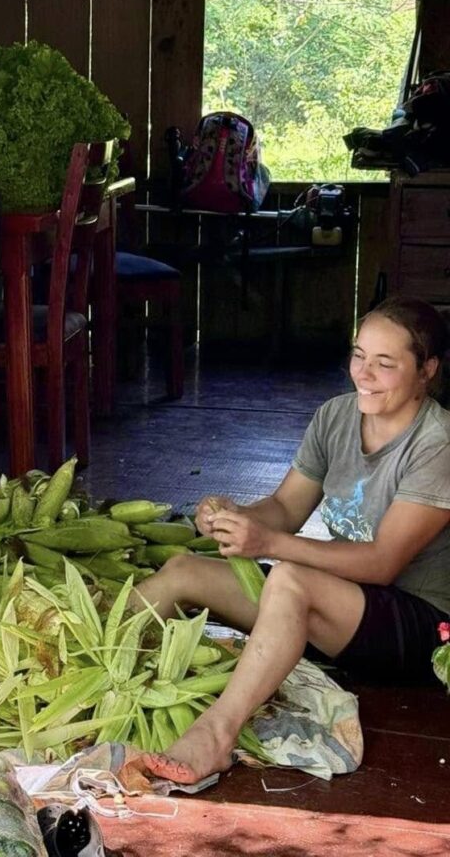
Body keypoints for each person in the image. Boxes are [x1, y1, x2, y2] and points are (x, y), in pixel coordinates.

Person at [135, 296, 450, 785]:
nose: (363, 374)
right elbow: (284, 509)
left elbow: (384, 563)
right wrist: (235, 517)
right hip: (339, 601)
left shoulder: (438, 443)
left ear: (427, 370)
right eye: (358, 355)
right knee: (183, 571)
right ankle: (70, 664)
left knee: (290, 580)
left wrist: (269, 545)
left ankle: (216, 736)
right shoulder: (336, 417)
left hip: (420, 625)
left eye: (385, 364)